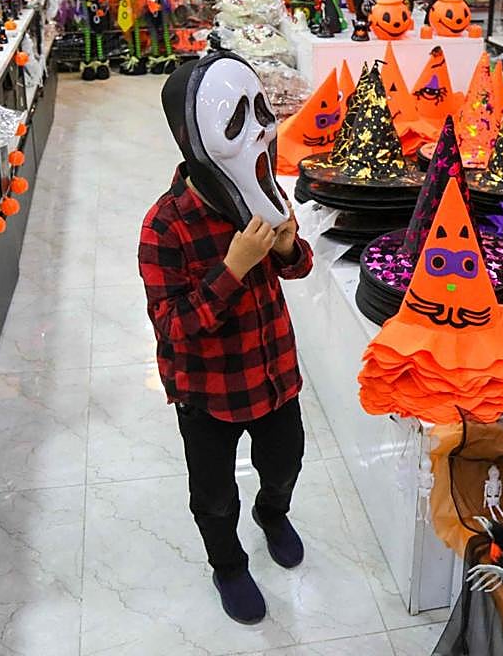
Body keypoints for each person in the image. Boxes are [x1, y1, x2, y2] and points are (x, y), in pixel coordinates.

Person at [140, 52, 314, 625]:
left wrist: (287, 247)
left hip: (274, 372)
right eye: (239, 119)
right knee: (213, 496)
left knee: (286, 458)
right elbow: (171, 327)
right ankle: (229, 565)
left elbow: (299, 267)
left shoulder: (265, 192)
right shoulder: (166, 224)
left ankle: (273, 511)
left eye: (261, 111)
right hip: (208, 392)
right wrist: (233, 267)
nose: (261, 129)